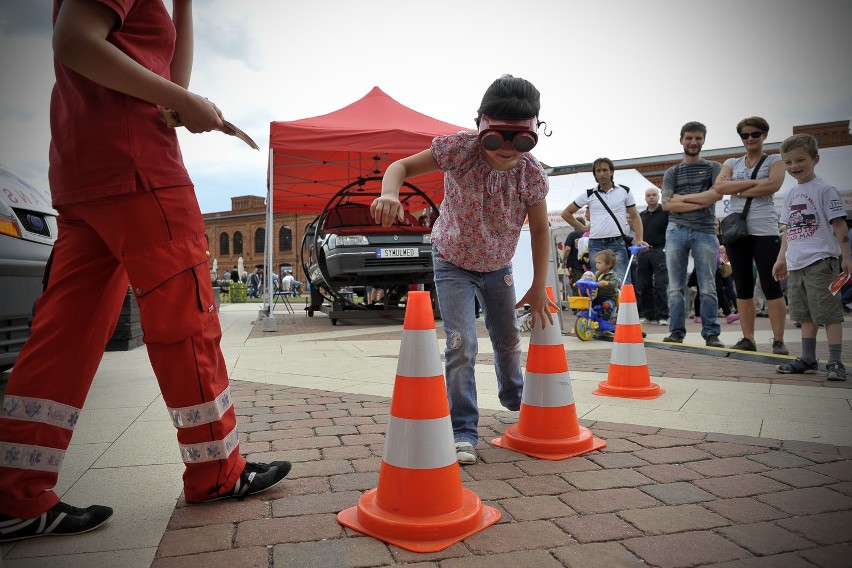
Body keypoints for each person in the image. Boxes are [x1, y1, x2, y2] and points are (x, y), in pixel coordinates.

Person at [0, 0, 291, 543]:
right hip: (138, 166)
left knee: (65, 335)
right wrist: (185, 101)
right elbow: (75, 41)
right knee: (187, 317)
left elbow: (167, 80)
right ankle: (217, 470)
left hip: (84, 169)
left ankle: (15, 491)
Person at [370, 74, 555, 465]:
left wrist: (539, 285)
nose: (507, 150)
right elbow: (400, 167)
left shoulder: (530, 173)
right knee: (462, 345)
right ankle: (463, 430)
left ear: (534, 133)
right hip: (452, 260)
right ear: (480, 126)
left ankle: (514, 396)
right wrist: (389, 193)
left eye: (520, 140)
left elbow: (540, 228)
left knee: (507, 340)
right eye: (496, 138)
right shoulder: (458, 149)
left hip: (497, 264)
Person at [773, 134, 851, 380]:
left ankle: (836, 361)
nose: (794, 167)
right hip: (797, 264)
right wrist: (781, 257)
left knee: (828, 312)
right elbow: (788, 229)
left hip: (821, 261)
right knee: (804, 314)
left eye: (800, 160)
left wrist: (846, 257)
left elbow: (839, 224)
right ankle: (808, 357)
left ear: (815, 159)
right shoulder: (790, 194)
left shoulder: (825, 189)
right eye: (788, 162)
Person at [713, 117, 788, 355]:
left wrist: (737, 185)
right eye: (745, 135)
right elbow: (720, 188)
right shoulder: (731, 162)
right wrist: (757, 183)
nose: (750, 139)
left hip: (765, 229)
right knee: (743, 286)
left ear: (765, 135)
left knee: (771, 285)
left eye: (755, 134)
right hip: (737, 230)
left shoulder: (775, 159)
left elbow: (773, 185)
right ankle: (748, 338)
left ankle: (778, 340)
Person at [660, 121, 724, 347]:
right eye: (689, 138)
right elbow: (666, 204)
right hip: (676, 230)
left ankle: (711, 333)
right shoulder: (672, 171)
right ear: (681, 140)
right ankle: (676, 332)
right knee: (676, 286)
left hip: (705, 231)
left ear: (704, 140)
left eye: (698, 138)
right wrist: (701, 198)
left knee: (707, 286)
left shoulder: (714, 167)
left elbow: (716, 196)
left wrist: (682, 199)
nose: (693, 142)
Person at [561, 158, 646, 283]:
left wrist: (639, 238)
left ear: (611, 171)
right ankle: (605, 304)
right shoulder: (589, 194)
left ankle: (623, 304)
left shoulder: (624, 191)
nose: (601, 174)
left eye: (605, 170)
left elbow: (635, 216)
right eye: (598, 171)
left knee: (622, 282)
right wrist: (582, 228)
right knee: (599, 283)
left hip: (617, 242)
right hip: (596, 244)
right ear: (595, 174)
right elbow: (566, 213)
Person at [637, 187, 669, 325]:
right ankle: (647, 314)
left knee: (660, 285)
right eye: (648, 195)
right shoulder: (641, 215)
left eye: (654, 195)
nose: (651, 197)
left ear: (658, 196)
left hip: (660, 250)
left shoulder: (666, 213)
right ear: (645, 198)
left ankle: (662, 315)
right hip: (644, 251)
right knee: (644, 285)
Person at [562, 215, 587, 296]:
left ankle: (578, 307)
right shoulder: (588, 234)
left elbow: (567, 249)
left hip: (576, 265)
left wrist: (564, 261)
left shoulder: (572, 235)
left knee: (577, 285)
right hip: (588, 265)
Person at [592, 249, 619, 322]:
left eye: (599, 263)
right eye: (596, 262)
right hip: (598, 297)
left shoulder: (613, 275)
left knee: (607, 305)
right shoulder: (597, 274)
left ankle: (605, 320)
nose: (596, 265)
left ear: (608, 265)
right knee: (588, 303)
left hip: (609, 297)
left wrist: (607, 283)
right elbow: (592, 280)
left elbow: (615, 283)